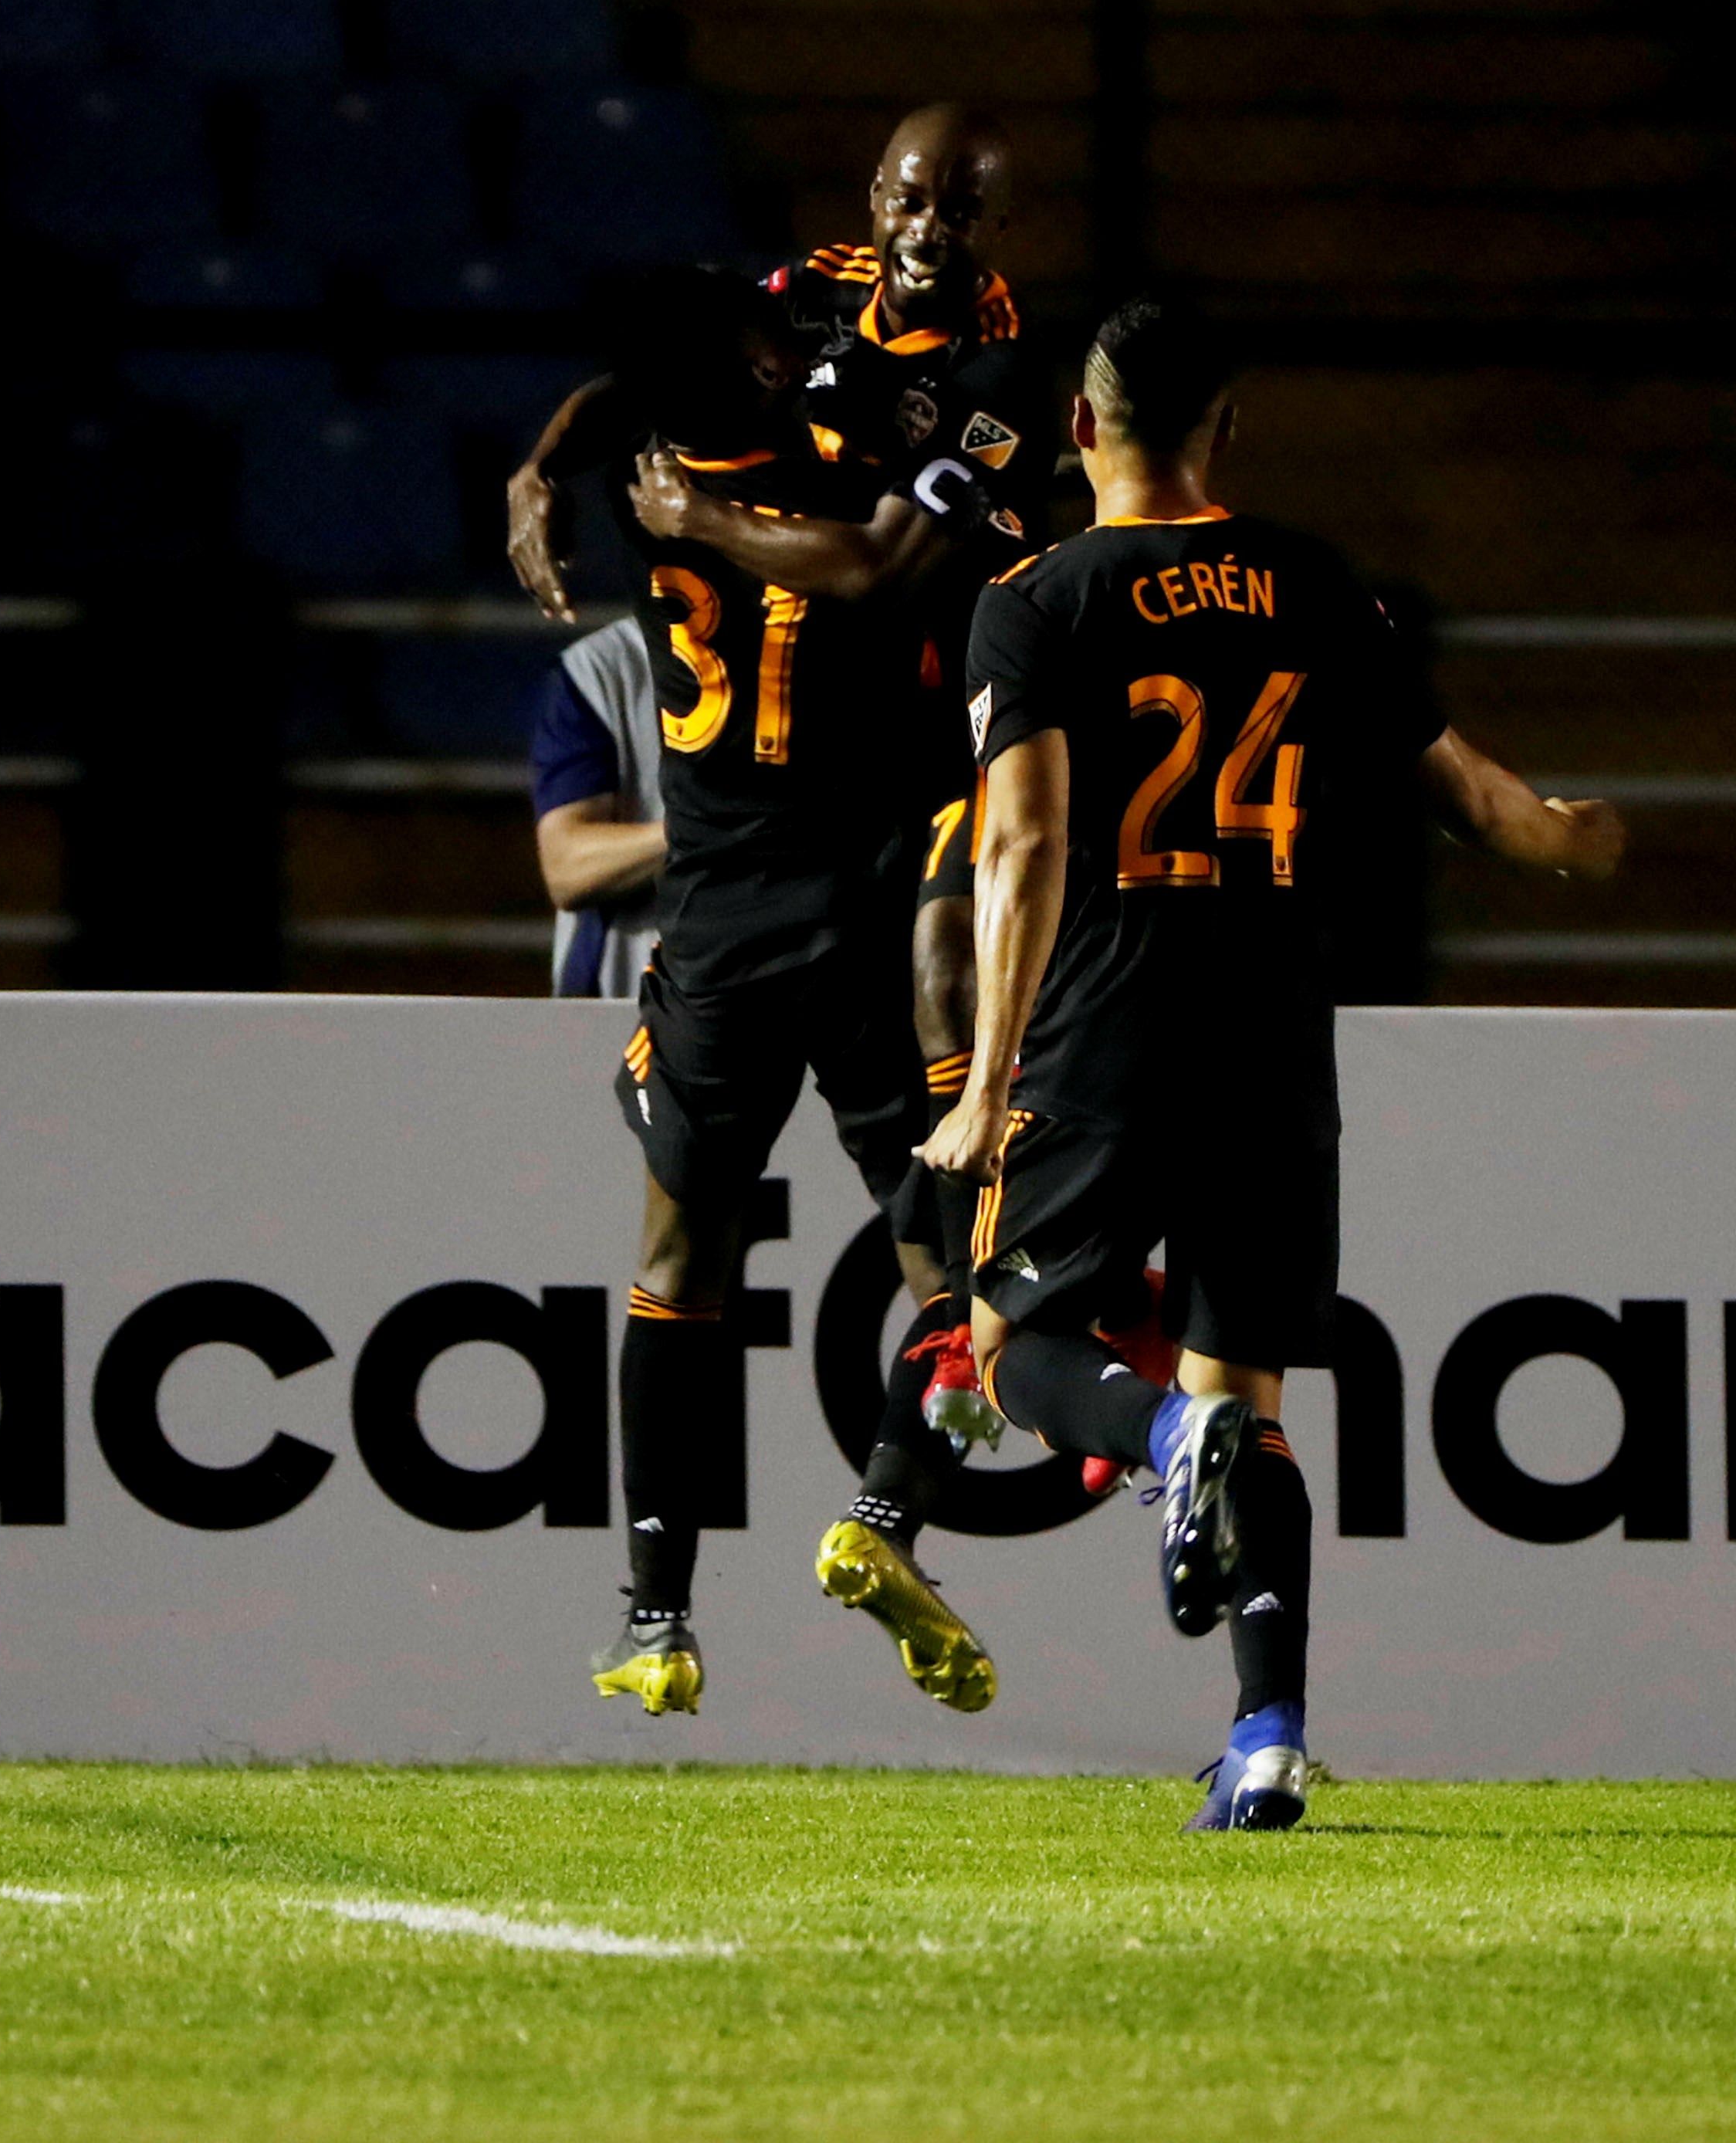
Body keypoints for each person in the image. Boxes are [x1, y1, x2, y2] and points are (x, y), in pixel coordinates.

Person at [920, 300, 1627, 1830]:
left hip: (1104, 1026)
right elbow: (1470, 790)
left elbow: (1028, 839)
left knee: (1013, 1348)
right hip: (1271, 1040)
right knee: (1258, 1387)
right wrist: (1562, 838)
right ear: (1224, 432)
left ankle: (1169, 1436)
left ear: (1080, 431)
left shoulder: (1034, 599)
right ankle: (1268, 1733)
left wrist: (983, 1081)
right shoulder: (1314, 582)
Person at [506, 107, 1065, 1694]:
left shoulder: (995, 384)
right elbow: (682, 375)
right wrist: (543, 457)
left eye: (961, 203)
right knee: (931, 1243)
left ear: (997, 224)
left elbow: (877, 557)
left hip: (783, 880)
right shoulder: (793, 361)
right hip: (842, 867)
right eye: (906, 196)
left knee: (701, 1243)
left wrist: (625, 491)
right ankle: (825, 1543)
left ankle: (679, 1601)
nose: (926, 226)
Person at [528, 616, 665, 998]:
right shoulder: (605, 666)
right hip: (620, 1006)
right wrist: (711, 830)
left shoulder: (824, 656)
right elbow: (567, 865)